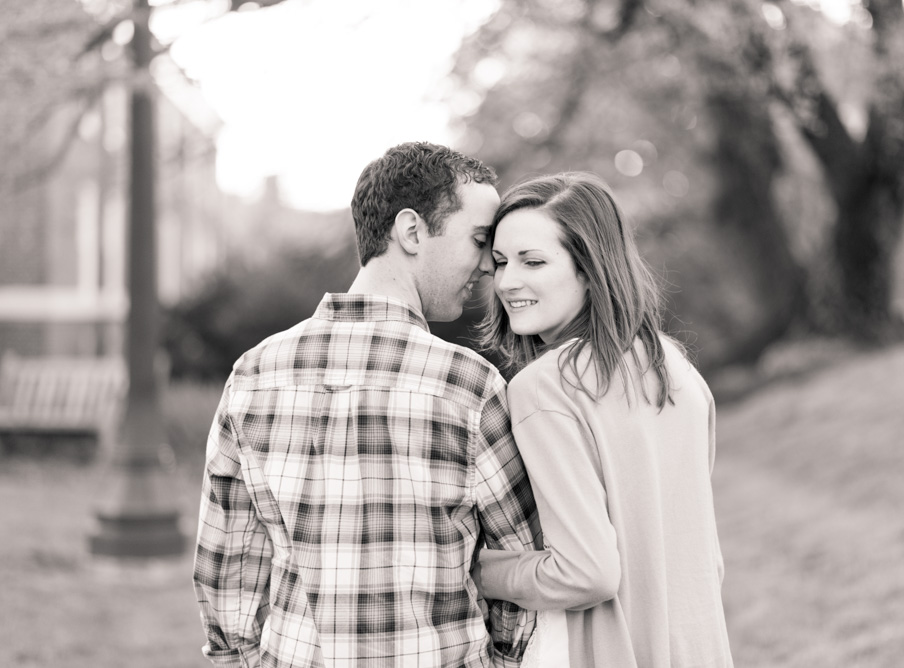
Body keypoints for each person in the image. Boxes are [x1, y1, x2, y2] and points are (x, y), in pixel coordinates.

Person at [193, 142, 542, 668]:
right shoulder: (469, 385)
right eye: (478, 241)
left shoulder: (254, 374)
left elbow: (227, 569)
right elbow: (521, 565)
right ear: (411, 231)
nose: (488, 269)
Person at [473, 172, 734, 668]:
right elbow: (705, 558)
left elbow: (585, 572)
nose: (507, 282)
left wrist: (475, 570)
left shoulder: (544, 387)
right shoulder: (676, 369)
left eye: (534, 261)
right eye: (501, 262)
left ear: (589, 269)